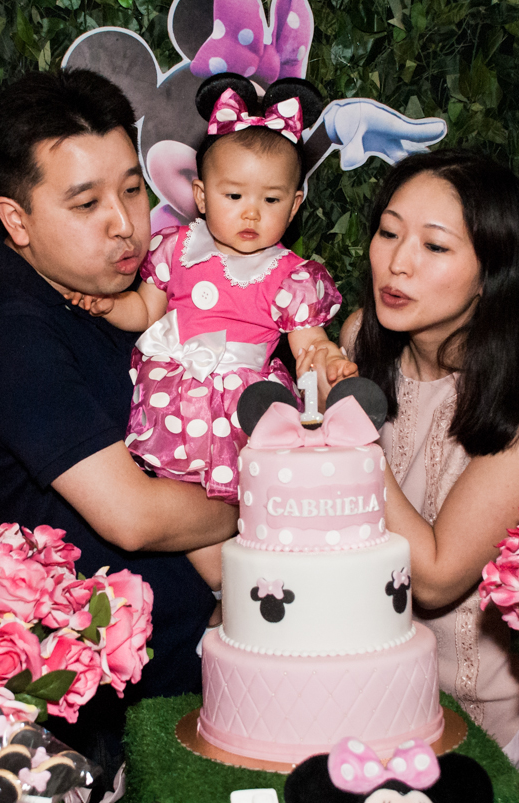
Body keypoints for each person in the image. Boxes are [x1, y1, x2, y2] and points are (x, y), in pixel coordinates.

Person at [0, 69, 238, 775]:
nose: (124, 223)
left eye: (132, 190)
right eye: (86, 203)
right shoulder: (10, 335)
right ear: (16, 221)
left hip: (200, 677)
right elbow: (133, 515)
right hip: (115, 722)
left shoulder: (129, 297)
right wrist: (272, 499)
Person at [336, 149, 519, 778]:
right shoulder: (358, 342)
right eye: (389, 232)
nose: (397, 263)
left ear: (490, 272)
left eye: (435, 246)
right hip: (373, 705)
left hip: (503, 726)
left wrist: (352, 425)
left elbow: (432, 577)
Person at [65, 73, 355, 591]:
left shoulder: (289, 276)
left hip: (247, 412)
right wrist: (108, 305)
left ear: (294, 206)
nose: (250, 212)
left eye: (270, 200)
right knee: (195, 519)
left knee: (264, 518)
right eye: (234, 194)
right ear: (201, 195)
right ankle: (233, 600)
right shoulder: (177, 250)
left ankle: (266, 597)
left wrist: (327, 360)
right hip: (182, 405)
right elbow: (146, 312)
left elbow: (307, 343)